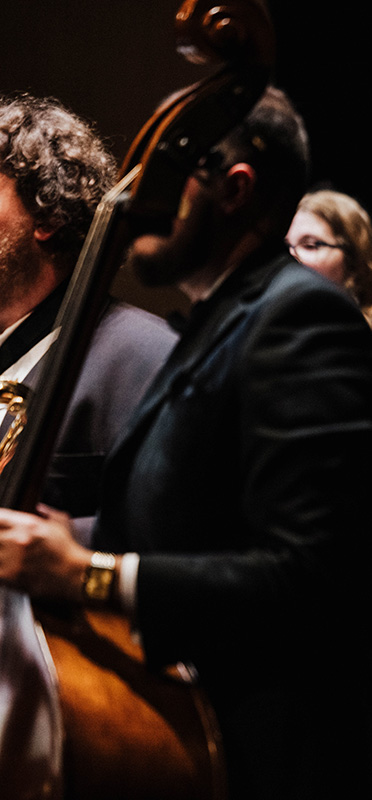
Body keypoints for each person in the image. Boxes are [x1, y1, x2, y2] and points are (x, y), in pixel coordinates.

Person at [0, 87, 372, 799]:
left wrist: (86, 571)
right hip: (196, 736)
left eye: (156, 178)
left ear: (235, 189)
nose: (127, 203)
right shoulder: (209, 327)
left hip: (284, 755)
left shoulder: (304, 318)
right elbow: (183, 523)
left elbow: (312, 577)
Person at [0, 92, 177, 797]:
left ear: (46, 217)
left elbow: (176, 529)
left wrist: (59, 539)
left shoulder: (137, 351)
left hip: (75, 698)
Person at [286, 188, 372, 353]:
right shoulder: (268, 329)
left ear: (354, 263)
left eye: (310, 245)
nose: (291, 255)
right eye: (286, 246)